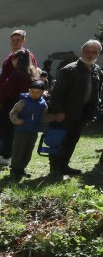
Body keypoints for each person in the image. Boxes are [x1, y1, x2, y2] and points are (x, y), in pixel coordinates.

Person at [45, 40, 102, 178]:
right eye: (87, 51)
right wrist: (58, 112)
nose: (90, 55)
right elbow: (57, 93)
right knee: (59, 139)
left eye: (94, 52)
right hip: (65, 112)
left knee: (72, 139)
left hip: (82, 112)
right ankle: (55, 169)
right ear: (82, 52)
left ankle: (64, 165)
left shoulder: (97, 70)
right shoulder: (69, 69)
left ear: (98, 54)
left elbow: (97, 92)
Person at [0, 30, 38, 166]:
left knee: (8, 129)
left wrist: (1, 99)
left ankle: (7, 155)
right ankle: (1, 152)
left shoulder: (26, 57)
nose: (15, 42)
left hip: (13, 99)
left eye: (18, 40)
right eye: (13, 40)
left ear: (23, 40)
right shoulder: (10, 57)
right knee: (2, 127)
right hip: (4, 97)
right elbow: (3, 80)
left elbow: (13, 83)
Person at [7, 79, 49, 179]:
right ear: (29, 90)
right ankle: (14, 170)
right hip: (21, 130)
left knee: (28, 150)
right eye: (32, 92)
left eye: (38, 92)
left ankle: (22, 168)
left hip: (33, 131)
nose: (35, 94)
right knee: (18, 149)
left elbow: (43, 117)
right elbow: (13, 113)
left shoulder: (43, 104)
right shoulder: (23, 102)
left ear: (42, 92)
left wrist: (53, 118)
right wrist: (16, 120)